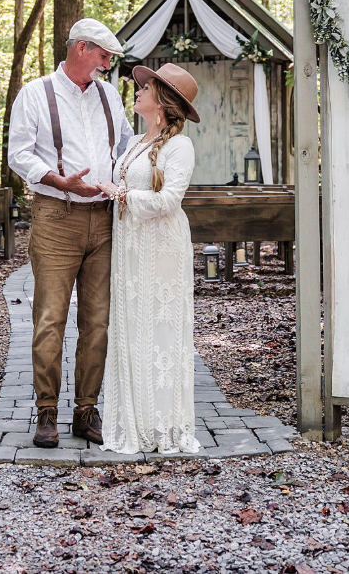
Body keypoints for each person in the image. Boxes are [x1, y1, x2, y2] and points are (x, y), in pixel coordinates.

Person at [7, 19, 134, 448]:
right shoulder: (36, 93)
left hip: (103, 220)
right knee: (49, 319)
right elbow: (18, 153)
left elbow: (126, 148)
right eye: (103, 56)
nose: (107, 64)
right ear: (82, 48)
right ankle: (46, 411)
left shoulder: (110, 96)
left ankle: (86, 409)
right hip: (56, 218)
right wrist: (59, 181)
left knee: (98, 320)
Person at [97, 63, 202, 455]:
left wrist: (120, 195)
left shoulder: (180, 146)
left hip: (162, 249)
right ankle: (134, 424)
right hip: (130, 249)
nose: (137, 91)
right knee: (130, 328)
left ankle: (163, 426)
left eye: (146, 88)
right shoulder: (134, 143)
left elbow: (169, 200)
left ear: (162, 101)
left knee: (159, 332)